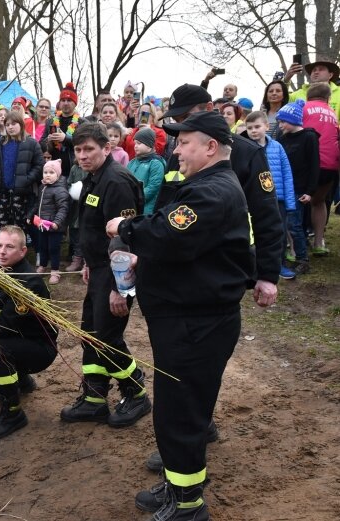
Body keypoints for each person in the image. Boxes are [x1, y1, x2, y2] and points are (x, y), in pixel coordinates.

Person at [106, 111, 254, 521]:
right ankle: (178, 484)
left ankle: (188, 504)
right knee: (177, 407)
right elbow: (180, 249)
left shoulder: (213, 191)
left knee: (181, 412)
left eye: (183, 142)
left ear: (210, 146)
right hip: (188, 321)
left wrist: (126, 228)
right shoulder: (205, 186)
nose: (175, 149)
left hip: (196, 325)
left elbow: (168, 235)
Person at [156, 84, 282, 308]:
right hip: (180, 264)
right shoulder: (180, 153)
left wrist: (268, 274)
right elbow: (165, 202)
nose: (182, 124)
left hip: (222, 267)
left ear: (209, 107)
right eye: (177, 118)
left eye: (186, 115)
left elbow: (266, 215)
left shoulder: (247, 153)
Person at [59, 121, 151, 428]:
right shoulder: (93, 178)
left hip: (114, 276)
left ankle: (136, 392)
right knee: (91, 332)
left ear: (107, 148)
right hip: (98, 269)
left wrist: (119, 289)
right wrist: (88, 261)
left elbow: (123, 239)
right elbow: (94, 228)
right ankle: (94, 398)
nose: (82, 156)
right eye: (78, 150)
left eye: (89, 150)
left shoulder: (117, 182)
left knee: (108, 339)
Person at [0, 225, 58, 441]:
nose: (2, 251)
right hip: (18, 340)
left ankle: (12, 413)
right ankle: (21, 380)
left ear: (23, 251)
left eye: (10, 247)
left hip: (40, 349)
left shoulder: (28, 282)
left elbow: (3, 326)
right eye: (0, 245)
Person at [243, 111, 299, 279]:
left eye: (257, 126)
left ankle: (278, 265)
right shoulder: (245, 149)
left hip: (277, 200)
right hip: (254, 200)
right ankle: (253, 265)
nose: (254, 131)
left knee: (278, 233)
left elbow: (287, 173)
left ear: (267, 126)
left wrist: (290, 202)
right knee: (253, 233)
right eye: (250, 127)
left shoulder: (277, 147)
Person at [277, 99, 319, 271]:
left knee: (294, 225)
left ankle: (302, 259)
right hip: (284, 188)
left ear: (294, 120)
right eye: (279, 121)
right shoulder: (282, 138)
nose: (280, 125)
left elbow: (315, 166)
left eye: (283, 121)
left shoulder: (309, 137)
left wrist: (310, 191)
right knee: (283, 224)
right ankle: (283, 257)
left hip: (300, 190)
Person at [0, 111, 44, 234]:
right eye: (7, 124)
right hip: (2, 191)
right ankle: (4, 252)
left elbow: (40, 165)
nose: (10, 127)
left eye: (14, 124)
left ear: (21, 124)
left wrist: (26, 179)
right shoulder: (0, 143)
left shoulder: (31, 143)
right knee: (3, 226)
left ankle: (19, 252)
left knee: (19, 227)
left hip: (21, 192)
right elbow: (1, 164)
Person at [302, 83, 340, 255]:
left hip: (308, 163)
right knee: (319, 201)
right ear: (328, 98)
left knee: (299, 201)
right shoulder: (333, 114)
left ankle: (297, 243)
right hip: (331, 164)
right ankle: (318, 243)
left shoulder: (303, 108)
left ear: (308, 96)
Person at [29, 159, 70, 284]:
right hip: (42, 224)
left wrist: (57, 222)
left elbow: (63, 208)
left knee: (53, 248)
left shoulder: (60, 190)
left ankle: (55, 270)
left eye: (51, 172)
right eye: (45, 172)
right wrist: (30, 215)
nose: (47, 175)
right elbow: (37, 204)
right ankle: (42, 265)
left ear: (58, 175)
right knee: (42, 246)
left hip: (54, 226)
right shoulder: (43, 187)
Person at [41, 82, 85, 177]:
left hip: (73, 169)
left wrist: (65, 138)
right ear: (59, 102)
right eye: (63, 100)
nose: (65, 103)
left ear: (75, 103)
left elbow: (84, 144)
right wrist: (48, 141)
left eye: (69, 100)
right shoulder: (51, 121)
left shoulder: (82, 123)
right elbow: (41, 143)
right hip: (52, 171)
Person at [126, 127, 166, 215]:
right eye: (135, 143)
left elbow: (153, 186)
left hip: (147, 208)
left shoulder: (156, 163)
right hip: (131, 205)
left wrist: (137, 197)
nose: (135, 146)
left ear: (149, 145)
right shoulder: (132, 162)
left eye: (139, 143)